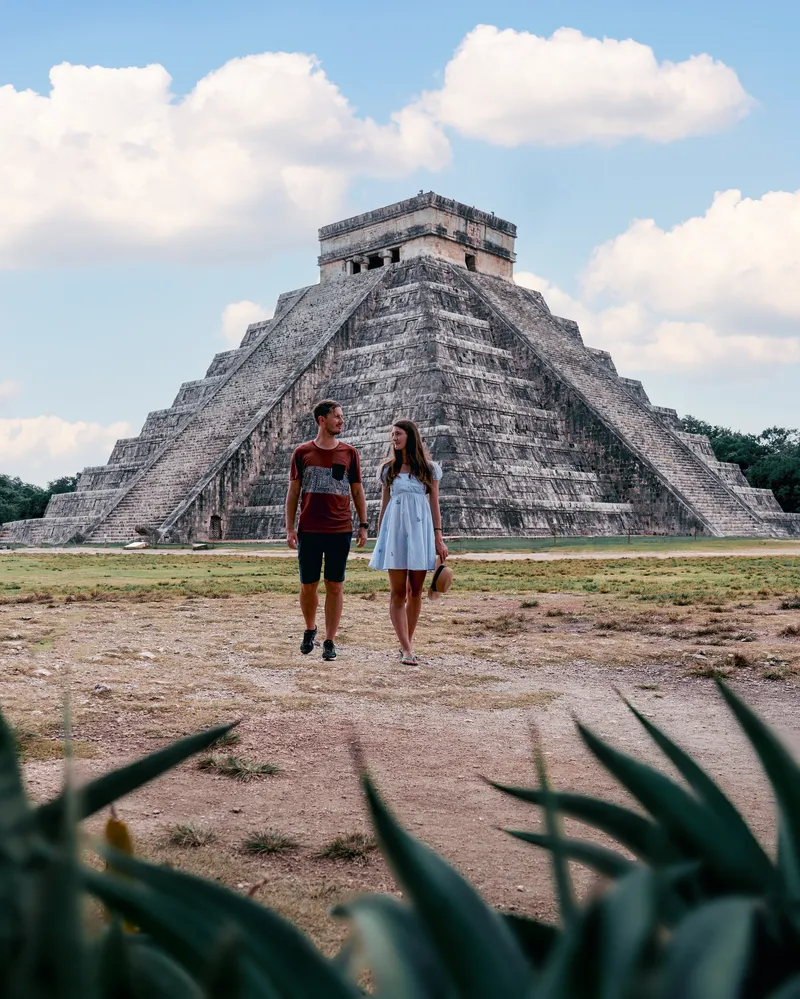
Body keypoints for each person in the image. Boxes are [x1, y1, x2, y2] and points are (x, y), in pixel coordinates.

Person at [285, 399, 368, 661]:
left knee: (335, 586)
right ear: (322, 420)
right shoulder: (301, 453)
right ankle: (310, 628)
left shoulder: (349, 453)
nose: (341, 421)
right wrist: (290, 528)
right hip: (309, 529)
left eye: (342, 417)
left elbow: (357, 491)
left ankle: (330, 640)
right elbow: (293, 492)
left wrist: (364, 525)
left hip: (339, 529)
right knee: (308, 585)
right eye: (337, 417)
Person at [369, 420, 448, 665]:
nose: (394, 438)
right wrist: (380, 538)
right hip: (395, 531)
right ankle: (406, 647)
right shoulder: (388, 469)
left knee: (415, 591)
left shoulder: (429, 468)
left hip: (419, 530)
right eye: (392, 434)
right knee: (398, 592)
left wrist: (438, 536)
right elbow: (384, 506)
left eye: (398, 433)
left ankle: (407, 643)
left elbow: (434, 504)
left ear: (410, 436)